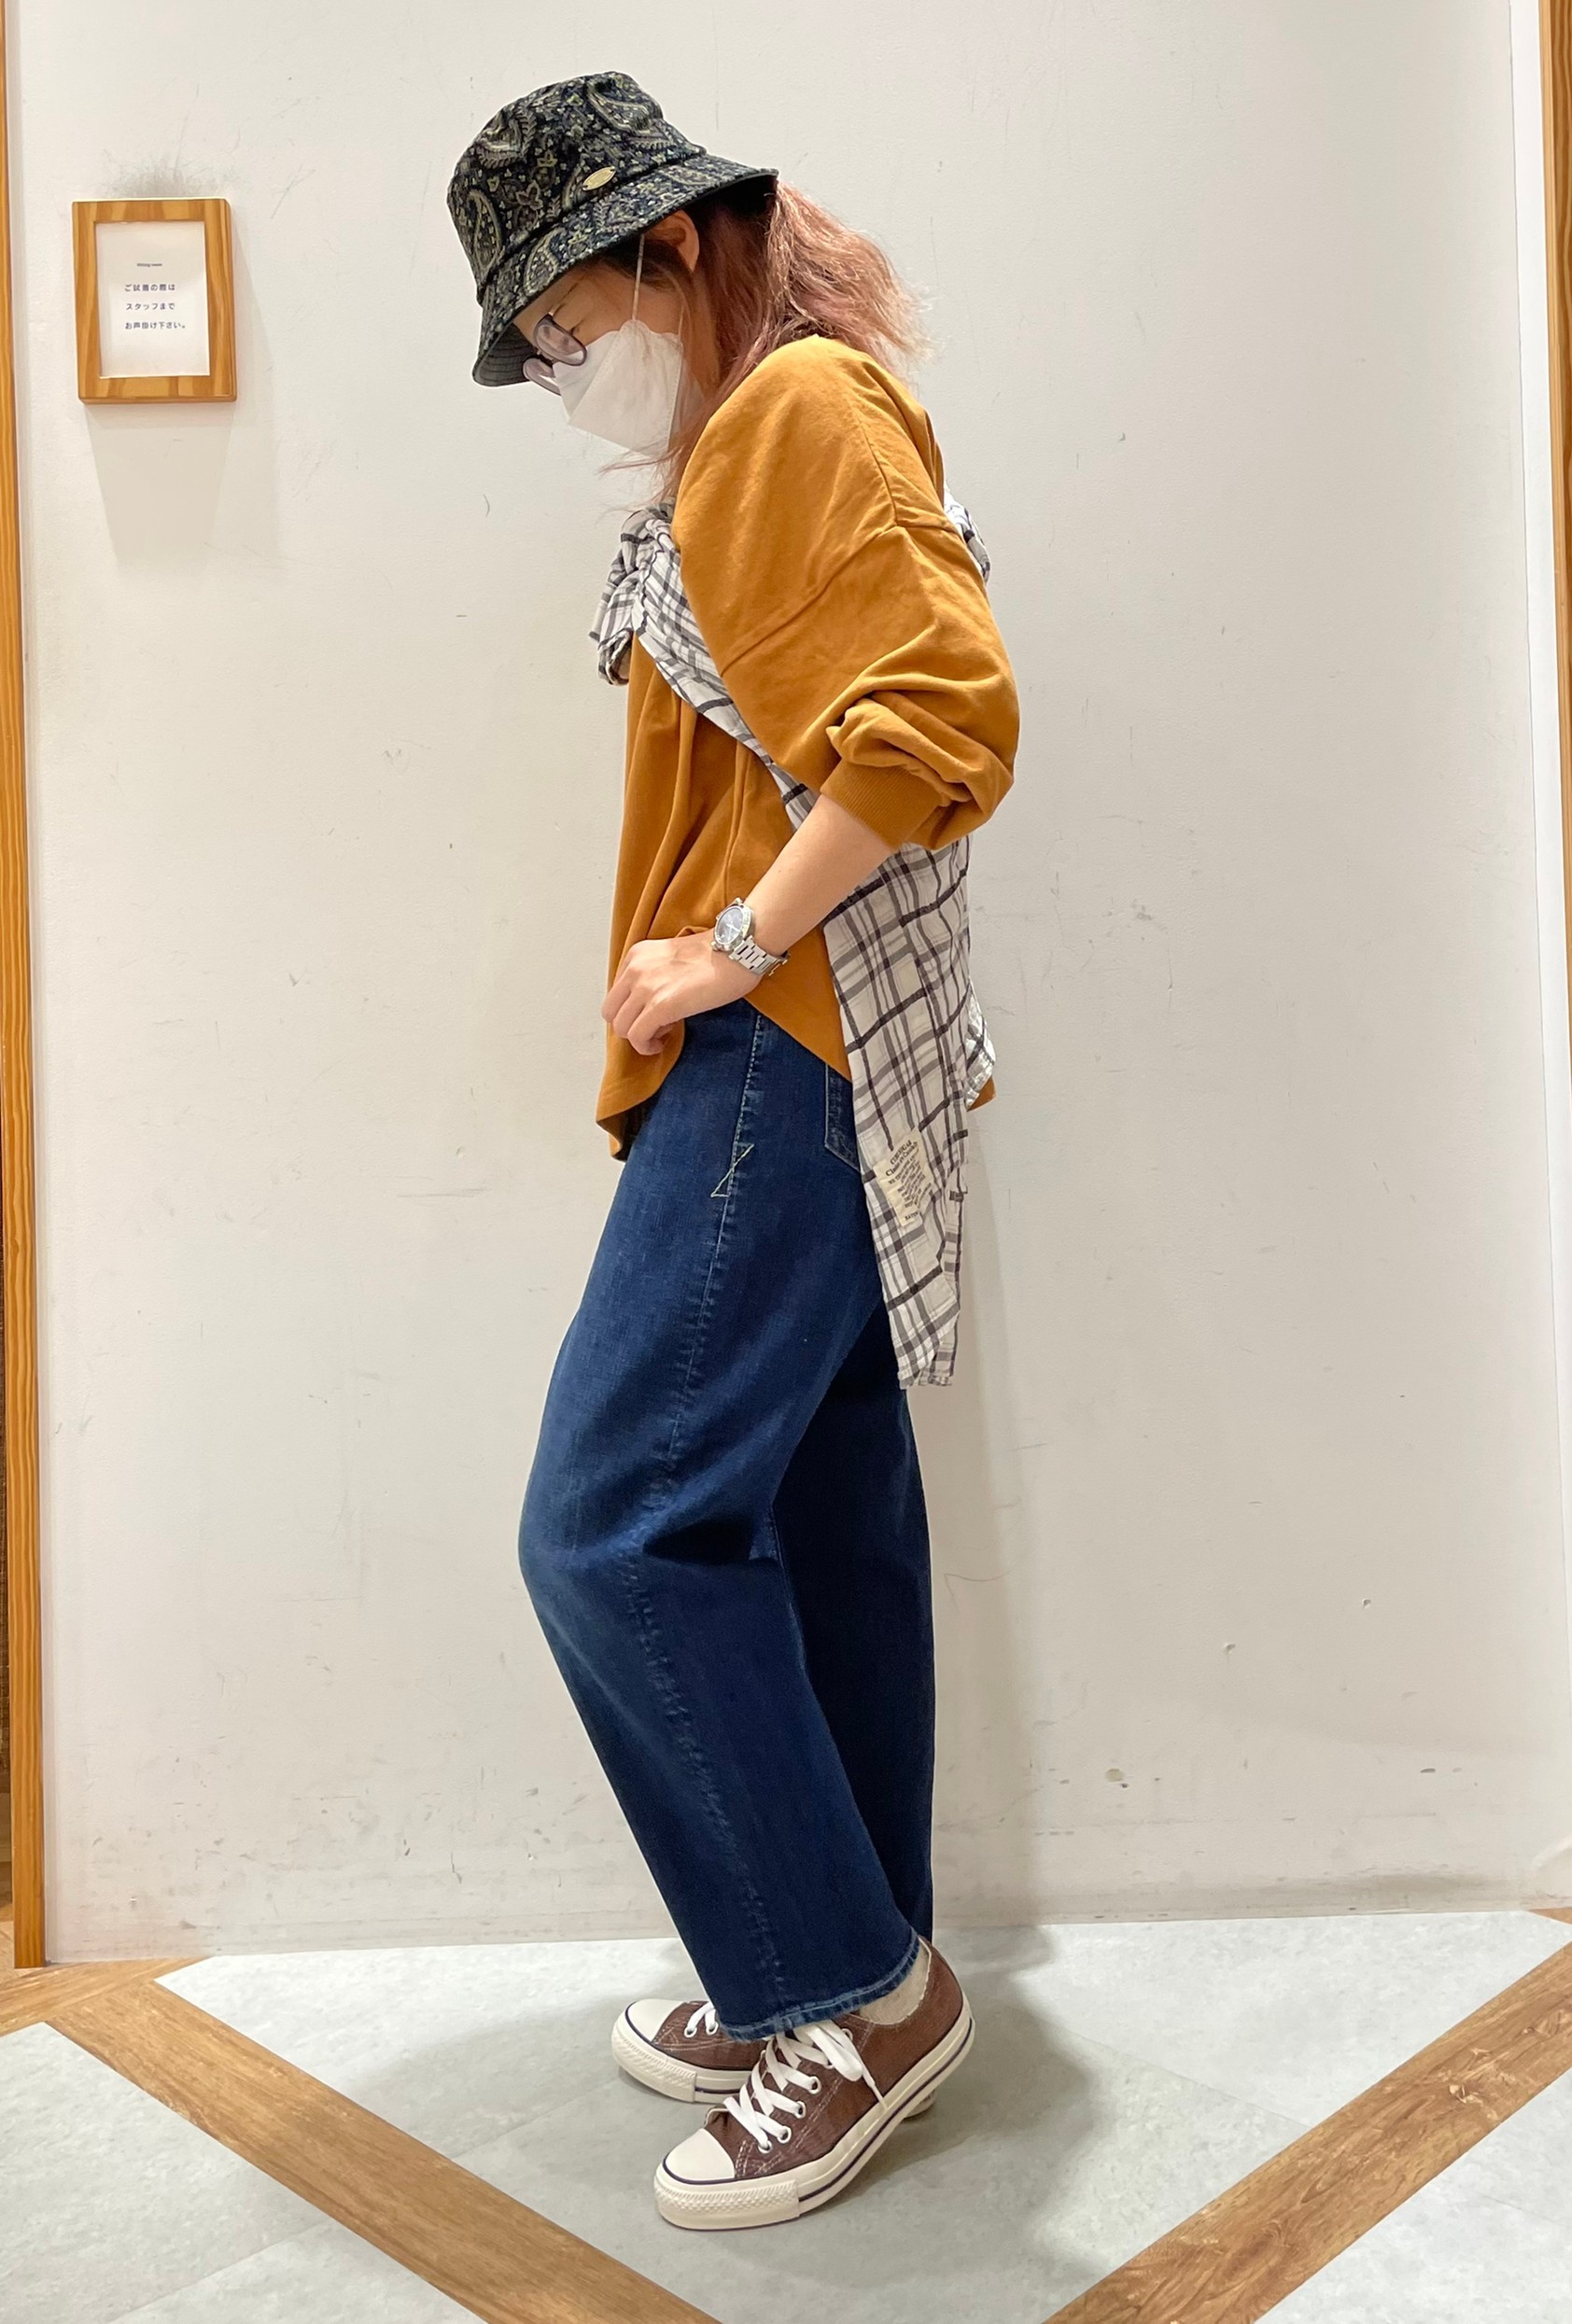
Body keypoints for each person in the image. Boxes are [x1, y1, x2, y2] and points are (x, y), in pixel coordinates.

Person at [448, 71, 1018, 2232]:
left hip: (781, 1044)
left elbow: (942, 713)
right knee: (806, 1511)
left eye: (558, 319)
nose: (553, 369)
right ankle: (848, 1956)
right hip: (821, 1048)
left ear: (669, 247)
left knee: (614, 1527)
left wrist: (730, 947)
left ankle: (847, 1993)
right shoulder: (775, 417)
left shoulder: (788, 413)